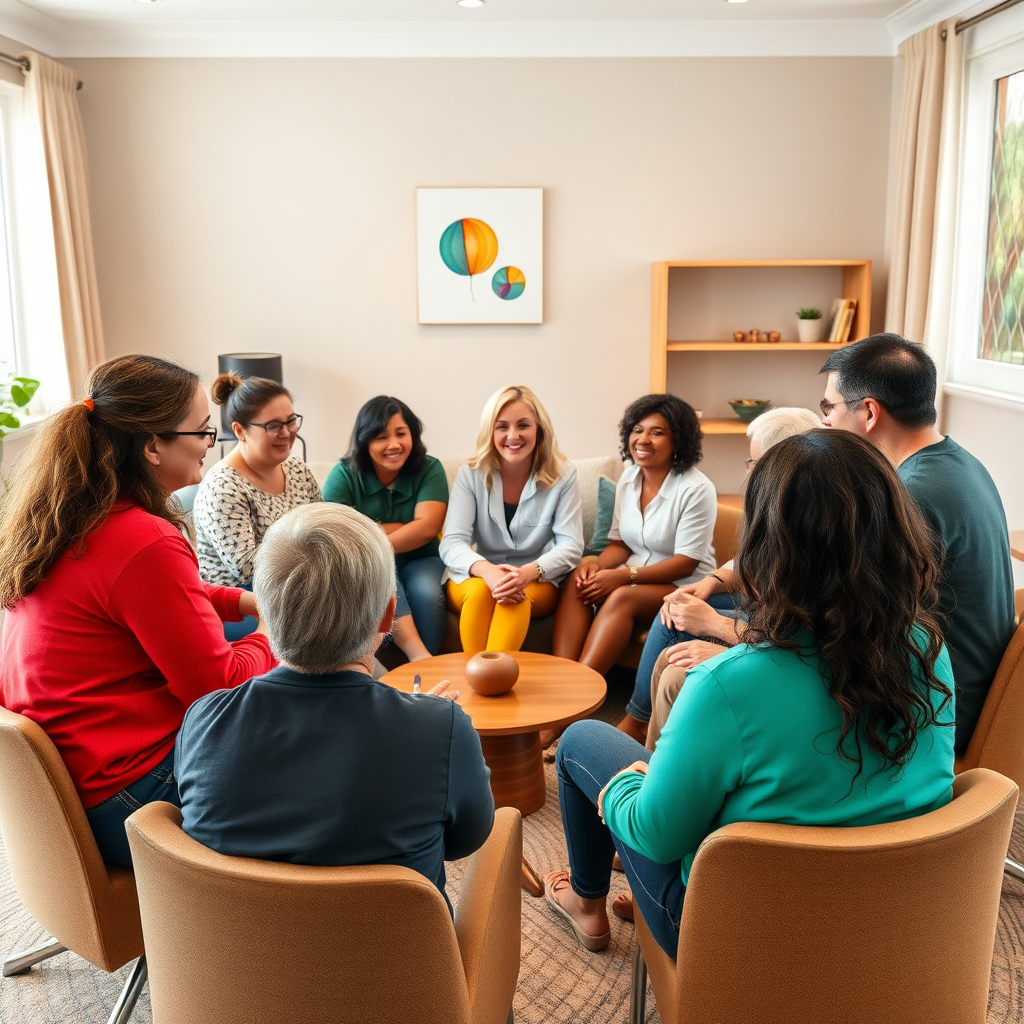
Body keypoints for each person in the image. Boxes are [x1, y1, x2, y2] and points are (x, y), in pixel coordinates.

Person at [543, 430, 955, 958]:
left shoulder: (725, 684)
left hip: (742, 937)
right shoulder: (926, 646)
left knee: (583, 740)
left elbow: (655, 836)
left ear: (767, 545)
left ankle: (585, 901)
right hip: (893, 922)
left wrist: (626, 787)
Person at [0, 355, 277, 866]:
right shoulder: (144, 541)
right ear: (152, 445)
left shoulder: (71, 518)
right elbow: (217, 686)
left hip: (72, 786)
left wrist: (241, 601)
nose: (208, 446)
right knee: (307, 740)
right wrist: (275, 633)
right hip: (130, 796)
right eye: (201, 432)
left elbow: (158, 599)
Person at [175, 503, 494, 910]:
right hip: (405, 971)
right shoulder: (442, 729)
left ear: (265, 612)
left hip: (237, 964)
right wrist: (426, 726)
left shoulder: (204, 719)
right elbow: (466, 839)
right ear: (387, 616)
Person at [820, 333, 1015, 755]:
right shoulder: (962, 462)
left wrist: (728, 631)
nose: (826, 423)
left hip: (931, 711)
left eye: (829, 407)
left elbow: (852, 626)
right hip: (964, 689)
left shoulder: (909, 494)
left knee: (702, 671)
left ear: (869, 411)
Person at [619, 406, 822, 744]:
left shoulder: (814, 534)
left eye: (754, 462)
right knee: (673, 628)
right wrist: (710, 583)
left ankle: (649, 752)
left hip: (783, 649)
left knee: (672, 670)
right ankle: (642, 731)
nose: (749, 472)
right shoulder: (784, 509)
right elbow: (749, 563)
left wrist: (715, 627)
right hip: (769, 630)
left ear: (784, 464)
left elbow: (804, 642)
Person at [552, 395, 716, 681]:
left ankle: (578, 689)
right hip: (634, 576)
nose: (643, 439)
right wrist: (598, 566)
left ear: (678, 440)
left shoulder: (696, 489)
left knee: (622, 596)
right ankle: (559, 679)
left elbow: (685, 564)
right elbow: (620, 543)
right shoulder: (629, 479)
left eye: (657, 432)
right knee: (577, 579)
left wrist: (622, 577)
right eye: (637, 430)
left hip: (683, 585)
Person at [440, 385, 584, 654]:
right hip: (477, 577)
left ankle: (490, 680)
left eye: (523, 425)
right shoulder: (470, 473)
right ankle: (475, 682)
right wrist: (489, 572)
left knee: (513, 598)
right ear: (490, 432)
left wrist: (527, 573)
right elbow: (452, 542)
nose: (513, 436)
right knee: (484, 591)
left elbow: (571, 545)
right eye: (502, 426)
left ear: (539, 428)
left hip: (537, 579)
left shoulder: (564, 475)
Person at [193, 373, 322, 640]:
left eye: (290, 421)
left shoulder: (297, 469)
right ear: (239, 430)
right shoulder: (223, 487)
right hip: (239, 604)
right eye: (274, 426)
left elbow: (323, 526)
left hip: (293, 588)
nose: (287, 433)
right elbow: (248, 568)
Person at [323, 396, 449, 661]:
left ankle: (425, 666)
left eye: (401, 433)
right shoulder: (343, 475)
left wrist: (370, 533)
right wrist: (402, 528)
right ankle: (420, 659)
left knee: (428, 595)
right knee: (384, 575)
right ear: (364, 440)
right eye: (381, 436)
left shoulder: (430, 468)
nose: (394, 444)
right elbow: (340, 536)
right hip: (371, 562)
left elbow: (427, 528)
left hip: (422, 557)